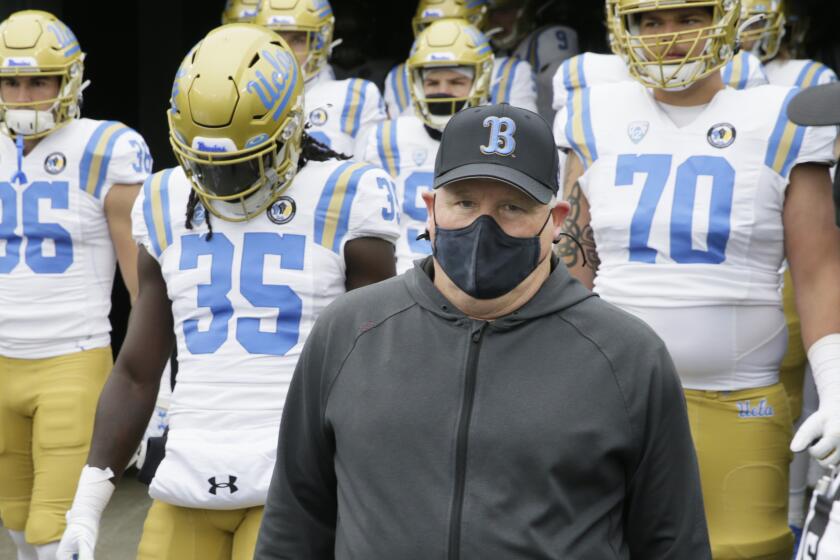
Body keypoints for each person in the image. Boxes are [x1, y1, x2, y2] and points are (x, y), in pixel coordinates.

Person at [254, 102, 711, 559]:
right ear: (432, 209)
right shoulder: (349, 330)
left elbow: (673, 542)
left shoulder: (627, 355)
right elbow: (295, 520)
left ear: (555, 220)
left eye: (513, 206)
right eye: (464, 202)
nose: (483, 226)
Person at [56, 23, 399, 560]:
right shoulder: (166, 197)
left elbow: (381, 366)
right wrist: (87, 504)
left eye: (245, 160)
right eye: (208, 166)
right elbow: (137, 370)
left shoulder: (345, 192)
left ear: (292, 128)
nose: (222, 184)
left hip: (298, 484)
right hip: (189, 476)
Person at [555, 0, 840, 557]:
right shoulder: (592, 114)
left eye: (690, 16)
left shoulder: (782, 115)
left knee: (742, 549)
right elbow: (574, 258)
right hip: (609, 393)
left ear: (727, 17)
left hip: (738, 395)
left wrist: (833, 379)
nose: (670, 36)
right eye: (651, 20)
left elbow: (818, 267)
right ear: (625, 27)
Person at [0, 10, 151, 560]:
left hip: (71, 359)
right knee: (14, 521)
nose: (24, 95)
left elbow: (144, 286)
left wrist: (159, 381)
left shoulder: (104, 147)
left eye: (38, 79)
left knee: (54, 532)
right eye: (11, 81)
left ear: (70, 79)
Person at [740, 0, 840, 538]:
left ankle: (798, 512)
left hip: (791, 258)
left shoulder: (805, 81)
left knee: (803, 400)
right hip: (742, 266)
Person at [361, 18, 493, 273]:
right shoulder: (387, 138)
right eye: (432, 83)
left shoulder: (501, 139)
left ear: (481, 80)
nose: (442, 92)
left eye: (456, 82)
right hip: (403, 276)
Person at [255, 0, 385, 157]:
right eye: (275, 39)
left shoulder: (355, 96)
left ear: (320, 43)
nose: (285, 50)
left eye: (298, 40)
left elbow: (370, 175)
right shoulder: (242, 99)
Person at [384, 0, 537, 118]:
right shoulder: (398, 76)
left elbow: (524, 136)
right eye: (432, 25)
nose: (444, 33)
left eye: (456, 81)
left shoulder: (511, 71)